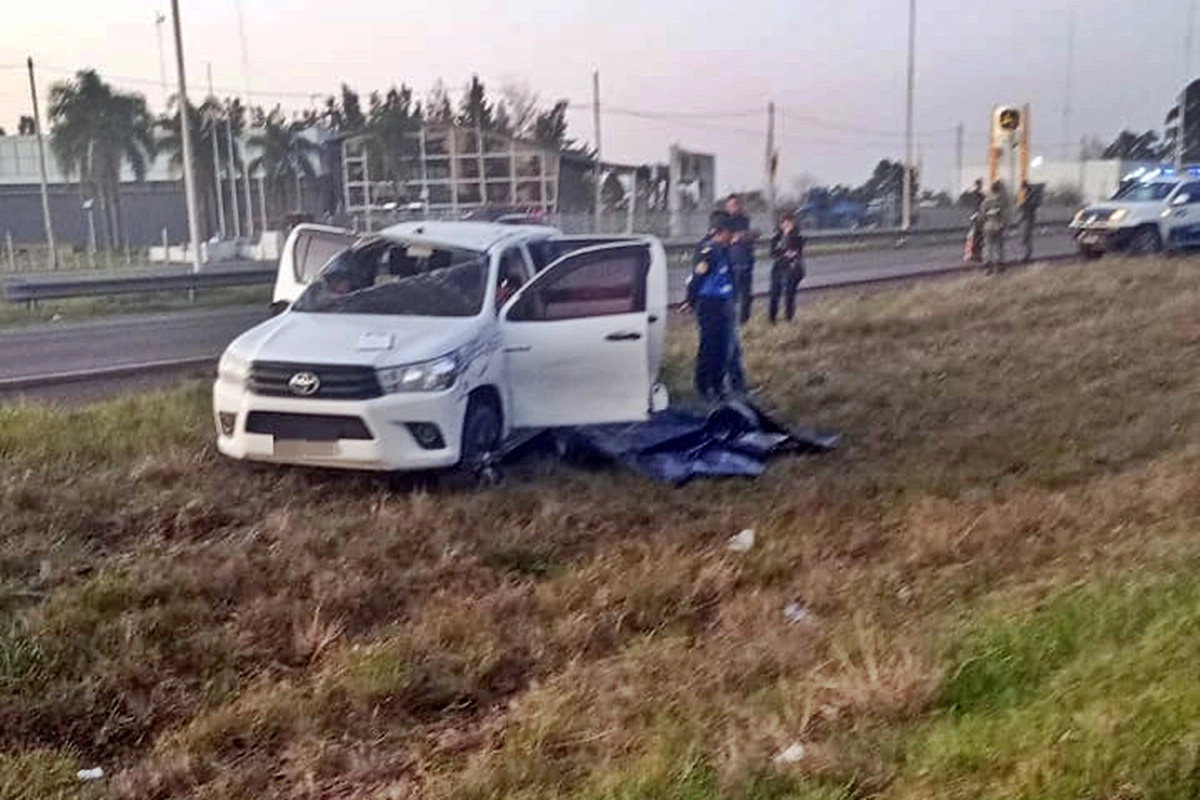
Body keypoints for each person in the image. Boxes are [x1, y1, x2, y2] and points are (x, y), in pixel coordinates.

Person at [682, 212, 737, 403]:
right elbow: (696, 279)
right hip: (709, 304)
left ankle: (718, 385)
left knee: (723, 348)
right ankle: (703, 386)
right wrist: (689, 301)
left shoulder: (724, 249)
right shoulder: (707, 251)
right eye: (730, 233)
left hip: (723, 303)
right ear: (721, 232)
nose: (733, 237)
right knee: (709, 347)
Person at [724, 194, 758, 324]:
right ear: (727, 207)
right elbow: (721, 239)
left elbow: (757, 232)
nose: (734, 207)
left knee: (747, 294)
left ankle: (744, 321)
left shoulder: (746, 219)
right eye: (731, 205)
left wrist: (742, 235)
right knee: (732, 294)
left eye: (736, 204)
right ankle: (730, 321)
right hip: (731, 262)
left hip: (747, 260)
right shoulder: (724, 221)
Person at [768, 211, 806, 324]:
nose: (787, 225)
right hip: (778, 267)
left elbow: (797, 250)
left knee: (789, 294)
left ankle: (788, 318)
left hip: (791, 269)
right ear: (781, 224)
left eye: (790, 223)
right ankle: (772, 319)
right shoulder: (776, 237)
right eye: (785, 223)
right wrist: (784, 253)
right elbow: (772, 252)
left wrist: (789, 235)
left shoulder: (797, 236)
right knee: (774, 293)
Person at [981, 180, 1011, 273]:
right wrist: (1005, 224)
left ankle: (988, 265)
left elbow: (982, 215)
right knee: (999, 246)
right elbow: (1003, 215)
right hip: (998, 225)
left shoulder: (986, 201)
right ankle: (999, 264)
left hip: (988, 225)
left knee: (988, 246)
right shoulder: (1000, 201)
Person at [1018, 181, 1042, 263]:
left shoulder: (1030, 198)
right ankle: (1027, 255)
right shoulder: (1029, 197)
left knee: (1026, 238)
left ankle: (1027, 255)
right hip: (1028, 219)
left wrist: (1022, 204)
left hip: (1028, 219)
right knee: (1027, 238)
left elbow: (1025, 208)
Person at [964, 179, 985, 263]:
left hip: (976, 218)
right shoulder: (979, 195)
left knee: (976, 237)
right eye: (979, 185)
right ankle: (975, 254)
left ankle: (975, 254)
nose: (980, 186)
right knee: (976, 237)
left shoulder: (975, 195)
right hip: (977, 218)